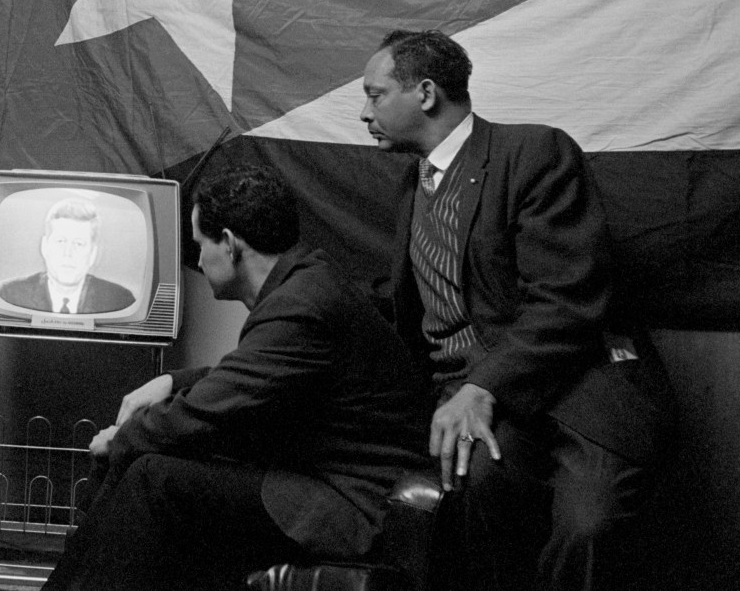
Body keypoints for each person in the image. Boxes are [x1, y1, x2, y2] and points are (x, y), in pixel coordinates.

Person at [360, 29, 676, 591]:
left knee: (589, 527)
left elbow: (568, 297)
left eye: (375, 94)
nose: (365, 112)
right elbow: (401, 305)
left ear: (426, 93)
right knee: (475, 492)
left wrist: (482, 387)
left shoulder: (535, 152)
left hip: (580, 394)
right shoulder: (415, 185)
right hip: (482, 408)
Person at [42, 166, 428, 591]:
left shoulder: (301, 305)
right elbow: (250, 374)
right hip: (320, 477)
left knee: (152, 475)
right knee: (145, 465)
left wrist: (119, 437)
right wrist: (171, 381)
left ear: (228, 244)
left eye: (199, 246)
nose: (198, 260)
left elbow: (207, 410)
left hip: (349, 502)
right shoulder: (305, 284)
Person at [0, 198, 135, 314]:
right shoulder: (9, 295)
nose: (68, 253)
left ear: (93, 254)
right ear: (45, 247)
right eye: (60, 241)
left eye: (79, 244)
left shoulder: (121, 301)